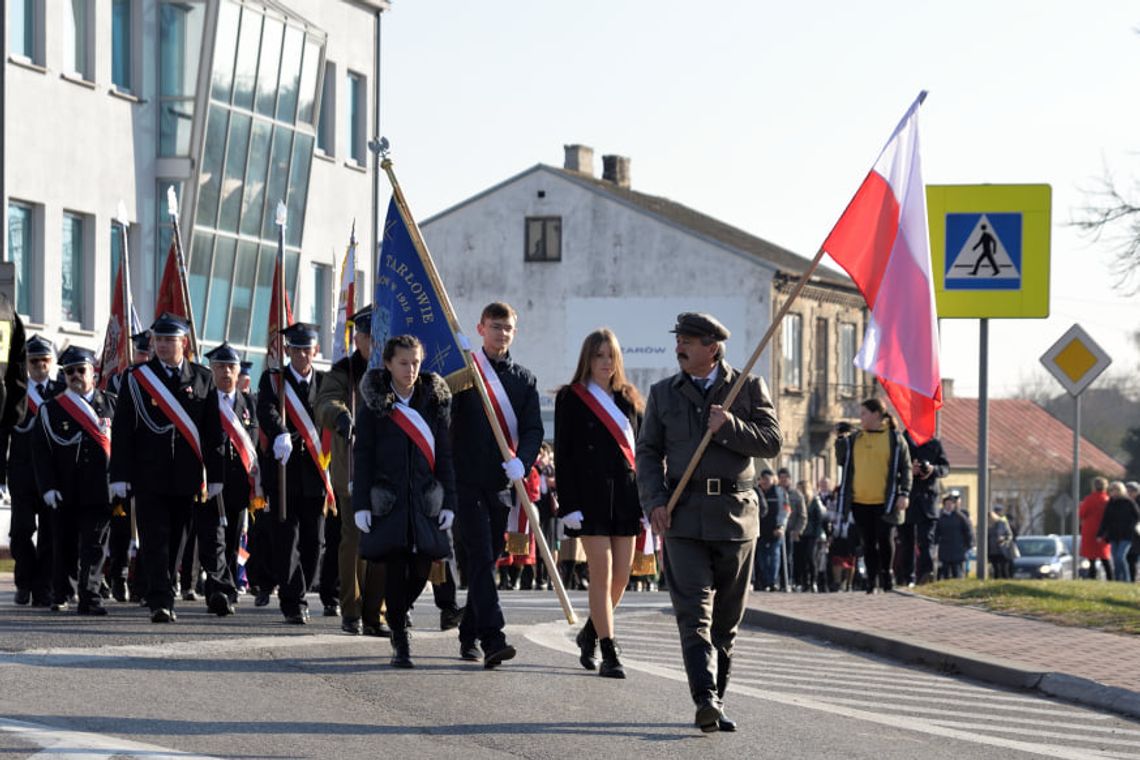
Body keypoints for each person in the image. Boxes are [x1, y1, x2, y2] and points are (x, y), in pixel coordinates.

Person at [638, 312, 782, 733]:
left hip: (736, 517)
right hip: (682, 516)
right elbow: (647, 453)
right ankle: (705, 699)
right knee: (692, 615)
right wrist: (654, 501)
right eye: (678, 339)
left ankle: (716, 696)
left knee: (725, 621)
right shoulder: (663, 394)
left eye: (688, 340)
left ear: (712, 347)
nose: (679, 347)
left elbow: (772, 443)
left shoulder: (748, 387)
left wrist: (730, 425)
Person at [109, 314, 225, 623]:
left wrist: (216, 476)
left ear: (183, 343)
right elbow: (122, 430)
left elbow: (213, 432)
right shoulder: (137, 378)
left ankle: (166, 586)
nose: (160, 345)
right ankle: (160, 600)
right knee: (153, 538)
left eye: (168, 340)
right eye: (157, 339)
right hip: (148, 474)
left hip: (186, 476)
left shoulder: (202, 378)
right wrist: (118, 474)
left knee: (177, 539)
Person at [353, 335, 456, 667]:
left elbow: (444, 457)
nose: (410, 370)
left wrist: (449, 501)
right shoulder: (374, 403)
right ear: (387, 363)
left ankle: (398, 612)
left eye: (415, 362)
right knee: (395, 566)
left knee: (423, 565)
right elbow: (363, 454)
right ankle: (400, 636)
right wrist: (361, 505)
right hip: (389, 499)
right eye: (403, 363)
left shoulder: (433, 400)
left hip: (425, 500)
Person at [450, 302, 543, 669]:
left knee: (486, 560)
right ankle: (494, 637)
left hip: (501, 484)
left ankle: (468, 632)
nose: (501, 333)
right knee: (480, 558)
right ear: (480, 328)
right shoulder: (465, 373)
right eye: (495, 327)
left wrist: (526, 460)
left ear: (513, 333)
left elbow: (534, 427)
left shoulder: (524, 379)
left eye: (507, 328)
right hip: (466, 481)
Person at [555, 328, 644, 679]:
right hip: (589, 498)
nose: (606, 362)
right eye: (599, 355)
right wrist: (569, 504)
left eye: (611, 355)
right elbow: (564, 455)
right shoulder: (571, 398)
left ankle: (589, 632)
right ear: (587, 359)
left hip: (625, 496)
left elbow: (644, 455)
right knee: (602, 574)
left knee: (622, 577)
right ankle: (609, 649)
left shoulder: (630, 399)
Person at [314, 305, 390, 636]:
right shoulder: (343, 371)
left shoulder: (393, 371)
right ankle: (352, 609)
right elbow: (325, 402)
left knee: (384, 543)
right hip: (352, 470)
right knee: (354, 540)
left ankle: (377, 612)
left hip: (388, 472)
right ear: (357, 338)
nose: (373, 345)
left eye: (379, 339)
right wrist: (341, 415)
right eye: (367, 338)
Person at [256, 322, 334, 624]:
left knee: (315, 542)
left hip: (315, 472)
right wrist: (280, 432)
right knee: (286, 539)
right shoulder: (274, 380)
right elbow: (266, 409)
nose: (302, 354)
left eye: (307, 349)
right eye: (296, 349)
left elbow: (332, 408)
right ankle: (294, 601)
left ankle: (302, 587)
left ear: (315, 350)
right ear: (287, 351)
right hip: (284, 472)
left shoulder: (327, 381)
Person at [31, 346, 115, 615]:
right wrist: (48, 487)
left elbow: (125, 445)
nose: (75, 376)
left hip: (100, 488)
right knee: (63, 544)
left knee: (94, 546)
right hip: (64, 489)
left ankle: (90, 597)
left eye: (81, 370)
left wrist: (122, 478)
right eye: (69, 372)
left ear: (94, 372)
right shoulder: (51, 409)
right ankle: (62, 592)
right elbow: (40, 453)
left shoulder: (112, 404)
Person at [4, 335, 62, 606]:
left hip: (53, 474)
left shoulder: (62, 393)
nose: (39, 365)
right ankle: (24, 581)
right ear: (26, 363)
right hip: (22, 473)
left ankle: (43, 588)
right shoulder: (15, 391)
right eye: (34, 360)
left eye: (44, 360)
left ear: (52, 362)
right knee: (20, 531)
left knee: (51, 534)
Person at [203, 342, 260, 614]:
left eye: (231, 367)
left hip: (239, 483)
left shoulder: (249, 402)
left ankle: (223, 587)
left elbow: (255, 441)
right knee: (213, 537)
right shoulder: (204, 401)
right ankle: (218, 588)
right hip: (211, 481)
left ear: (238, 372)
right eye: (220, 367)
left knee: (233, 537)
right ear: (211, 371)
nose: (226, 372)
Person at [834, 398, 912, 593]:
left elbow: (906, 468)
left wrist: (904, 493)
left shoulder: (894, 439)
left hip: (886, 501)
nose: (860, 418)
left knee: (885, 540)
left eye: (864, 414)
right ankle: (871, 579)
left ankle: (886, 575)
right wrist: (840, 439)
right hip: (860, 500)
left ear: (877, 415)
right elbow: (842, 461)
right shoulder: (855, 439)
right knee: (868, 543)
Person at [899, 431, 949, 587]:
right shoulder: (902, 441)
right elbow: (892, 467)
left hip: (928, 501)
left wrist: (932, 470)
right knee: (907, 541)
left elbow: (945, 468)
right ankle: (908, 577)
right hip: (908, 498)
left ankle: (926, 575)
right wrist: (908, 470)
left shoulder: (934, 443)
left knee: (926, 540)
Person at [1097, 481, 1140, 583]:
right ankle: (1117, 579)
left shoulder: (1128, 502)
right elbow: (1105, 520)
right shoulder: (1110, 504)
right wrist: (1100, 534)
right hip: (1113, 535)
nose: (1113, 492)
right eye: (1111, 490)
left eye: (1116, 490)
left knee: (1120, 557)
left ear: (1120, 490)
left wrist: (1131, 527)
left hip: (1127, 535)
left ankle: (1126, 579)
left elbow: (1137, 516)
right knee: (1115, 559)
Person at [754, 469, 787, 591]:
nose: (765, 482)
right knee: (761, 557)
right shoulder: (756, 491)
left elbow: (785, 510)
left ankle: (773, 582)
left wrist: (780, 526)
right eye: (763, 479)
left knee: (774, 556)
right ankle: (765, 581)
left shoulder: (779, 492)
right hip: (760, 530)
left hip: (775, 529)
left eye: (768, 479)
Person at [1079, 477, 1113, 580]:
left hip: (1090, 530)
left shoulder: (1089, 499)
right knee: (1105, 558)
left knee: (1091, 559)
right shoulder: (1108, 500)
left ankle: (1092, 577)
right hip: (1104, 531)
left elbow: (1082, 513)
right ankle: (1110, 578)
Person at [777, 468, 805, 591]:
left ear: (789, 479)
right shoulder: (776, 492)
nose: (783, 481)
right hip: (777, 529)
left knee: (788, 557)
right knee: (777, 557)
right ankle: (777, 581)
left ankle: (787, 581)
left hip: (790, 530)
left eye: (785, 478)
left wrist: (797, 531)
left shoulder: (796, 494)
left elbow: (802, 515)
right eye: (781, 478)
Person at [934, 491, 973, 579]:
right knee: (945, 572)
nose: (949, 506)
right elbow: (936, 533)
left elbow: (968, 531)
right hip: (945, 550)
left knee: (958, 572)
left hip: (958, 549)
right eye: (947, 504)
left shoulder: (961, 517)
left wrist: (969, 546)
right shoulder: (941, 518)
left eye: (951, 504)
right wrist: (935, 547)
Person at [987, 504, 1014, 579]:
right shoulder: (988, 526)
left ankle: (1005, 583)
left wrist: (1003, 539)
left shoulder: (1002, 523)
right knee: (996, 569)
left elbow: (1009, 535)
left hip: (1002, 549)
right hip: (992, 550)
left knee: (1003, 569)